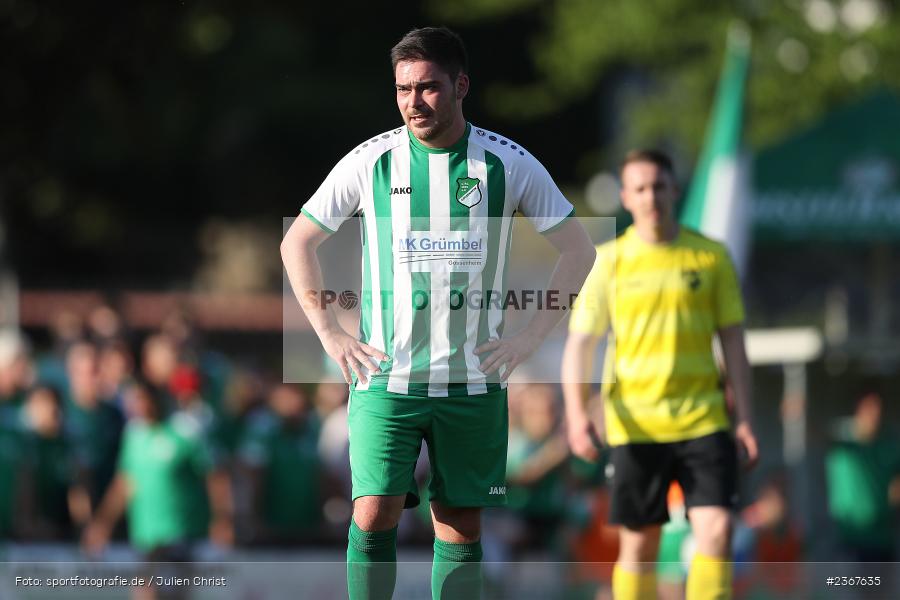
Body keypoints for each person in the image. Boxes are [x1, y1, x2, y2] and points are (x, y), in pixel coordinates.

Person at [280, 26, 596, 600]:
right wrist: (329, 332)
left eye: (428, 87)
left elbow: (579, 249)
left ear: (460, 86)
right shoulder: (371, 161)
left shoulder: (507, 163)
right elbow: (296, 242)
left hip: (471, 382)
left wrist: (529, 338)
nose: (414, 101)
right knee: (373, 511)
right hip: (386, 377)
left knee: (460, 524)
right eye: (403, 89)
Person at [561, 149, 758, 600]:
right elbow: (580, 345)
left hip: (703, 419)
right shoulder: (607, 261)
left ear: (674, 190)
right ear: (626, 197)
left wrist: (745, 418)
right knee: (639, 545)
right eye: (641, 188)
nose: (651, 197)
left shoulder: (710, 257)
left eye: (658, 186)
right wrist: (576, 416)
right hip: (636, 425)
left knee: (719, 530)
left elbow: (733, 342)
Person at [825, 390, 900, 562]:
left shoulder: (890, 447)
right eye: (869, 408)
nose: (875, 415)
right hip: (849, 542)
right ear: (857, 410)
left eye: (878, 409)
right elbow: (813, 434)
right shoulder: (841, 446)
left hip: (882, 541)